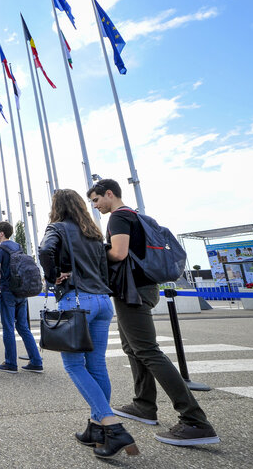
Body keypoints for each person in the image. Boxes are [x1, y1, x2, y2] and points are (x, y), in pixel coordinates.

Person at [88, 179, 219, 447]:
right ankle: (143, 404)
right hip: (143, 288)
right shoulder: (138, 216)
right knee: (132, 347)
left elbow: (119, 253)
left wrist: (97, 251)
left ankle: (195, 420)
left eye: (96, 200)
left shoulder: (119, 218)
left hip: (132, 290)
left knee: (147, 350)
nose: (96, 205)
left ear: (109, 194)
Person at [39, 189, 138, 459]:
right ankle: (96, 427)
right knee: (96, 364)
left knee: (73, 365)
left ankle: (112, 425)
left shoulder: (57, 227)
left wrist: (53, 275)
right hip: (103, 302)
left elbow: (45, 250)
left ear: (57, 207)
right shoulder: (94, 233)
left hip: (77, 299)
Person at [0, 221, 44, 374]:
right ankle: (36, 361)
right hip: (22, 291)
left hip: (8, 291)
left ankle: (10, 363)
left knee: (8, 327)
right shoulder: (18, 246)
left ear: (1, 233)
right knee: (23, 327)